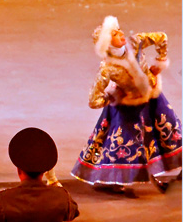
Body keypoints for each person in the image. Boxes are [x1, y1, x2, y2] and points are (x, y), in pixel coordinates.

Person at [71, 16, 181, 194]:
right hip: (128, 110)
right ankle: (119, 179)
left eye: (119, 30)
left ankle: (172, 168)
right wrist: (112, 96)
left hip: (152, 99)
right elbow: (94, 100)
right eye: (114, 34)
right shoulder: (107, 68)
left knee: (167, 131)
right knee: (132, 143)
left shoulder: (135, 42)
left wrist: (161, 61)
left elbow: (161, 37)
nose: (121, 33)